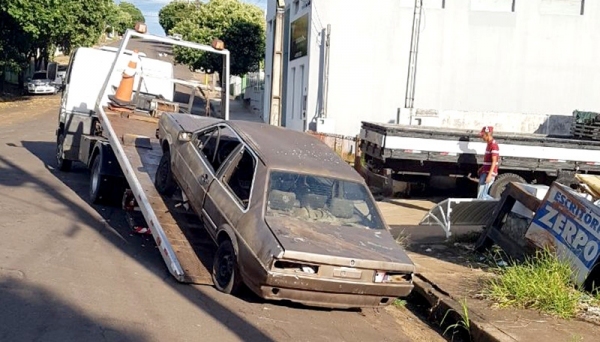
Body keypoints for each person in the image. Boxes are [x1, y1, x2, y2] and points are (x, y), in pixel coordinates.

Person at [477, 126, 499, 200]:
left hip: (489, 173)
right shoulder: (489, 144)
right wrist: (482, 168)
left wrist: (489, 175)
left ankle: (497, 203)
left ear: (488, 134)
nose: (482, 137)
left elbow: (494, 161)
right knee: (480, 196)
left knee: (483, 196)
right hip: (485, 172)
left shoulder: (493, 146)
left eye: (483, 135)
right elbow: (488, 161)